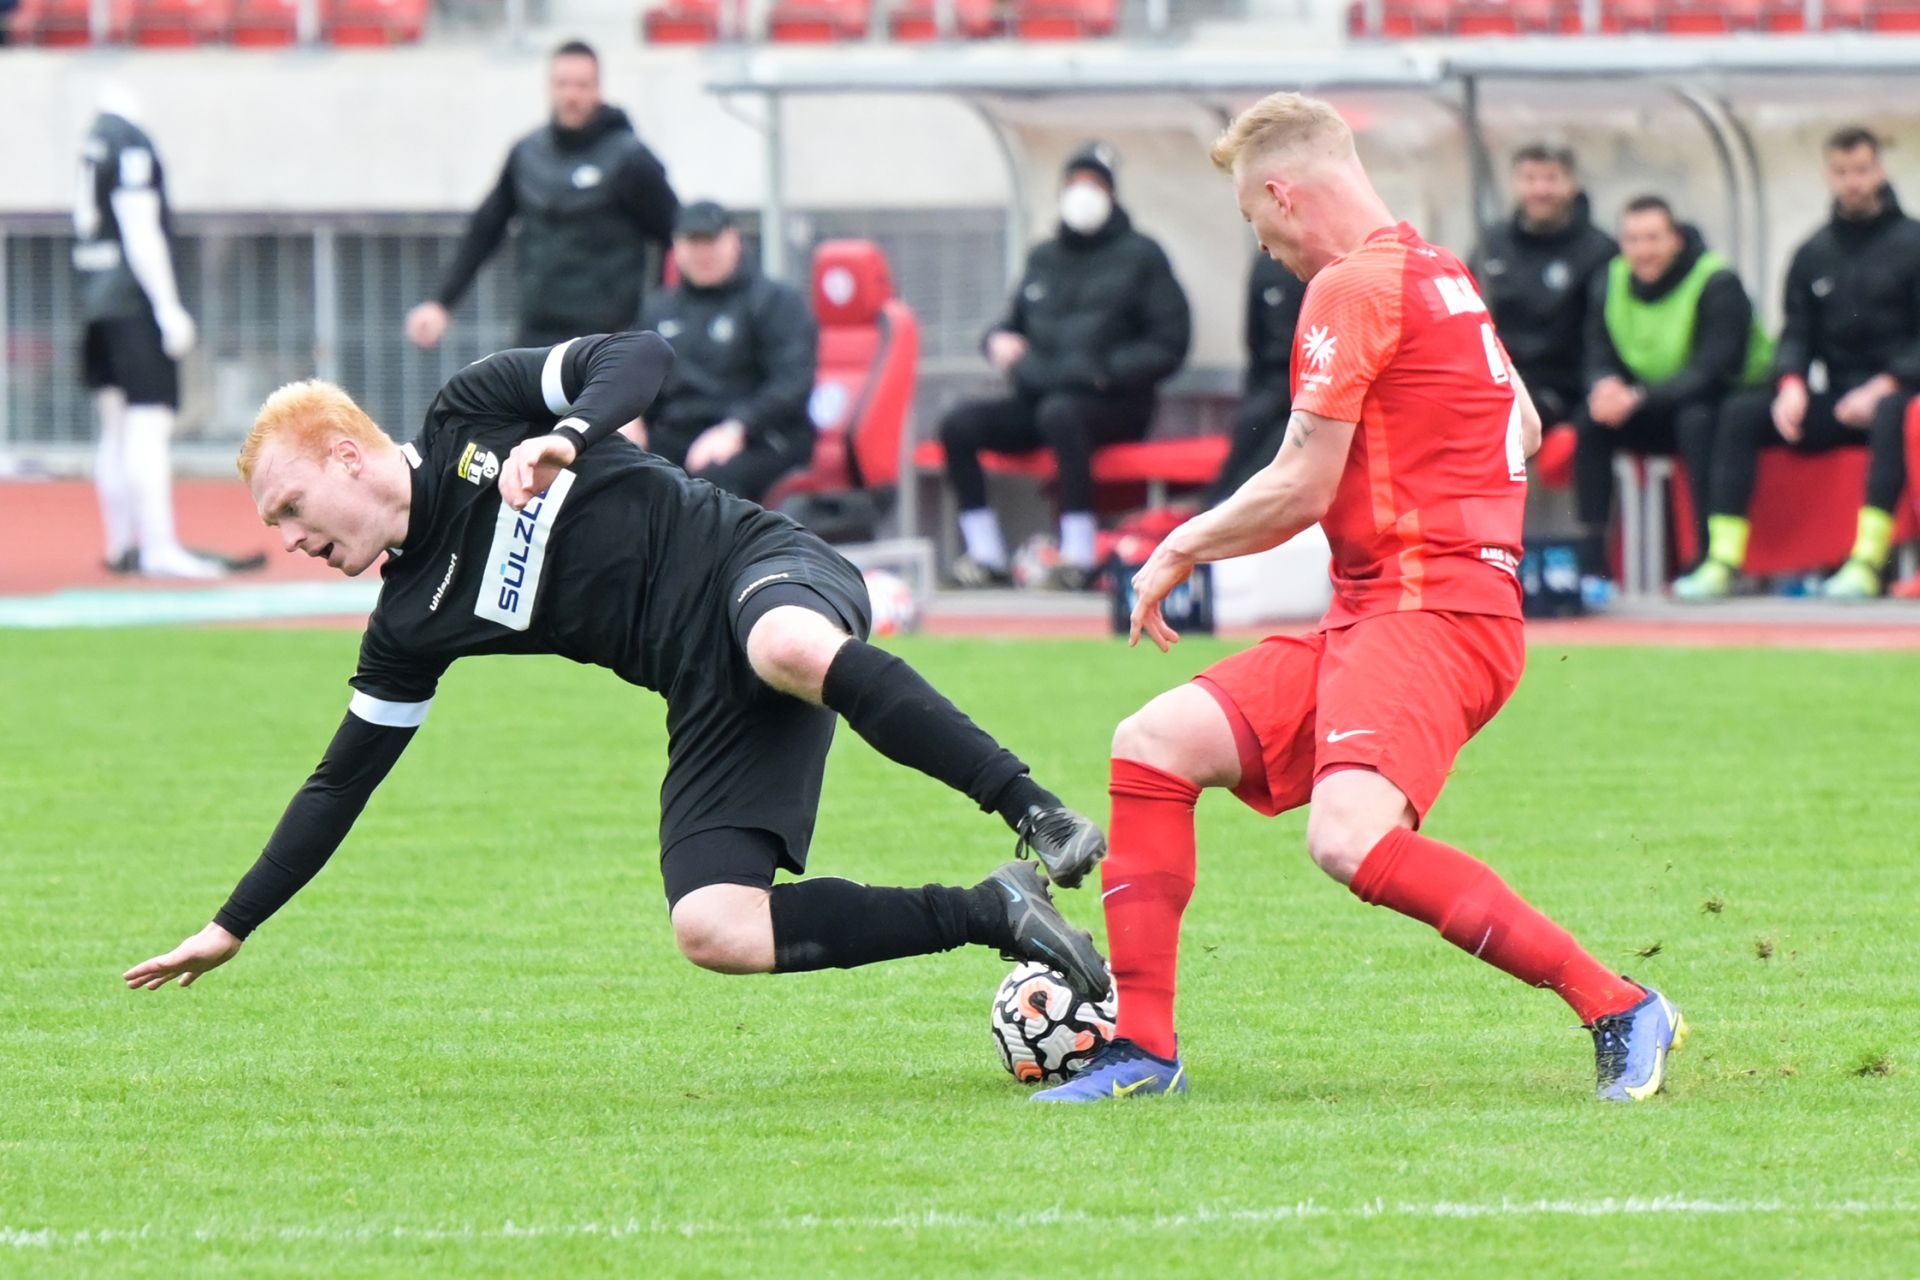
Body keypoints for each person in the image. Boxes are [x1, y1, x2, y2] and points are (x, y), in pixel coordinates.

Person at [123, 331, 1116, 1007]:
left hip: (758, 566)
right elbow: (339, 780)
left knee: (783, 646)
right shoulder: (409, 621)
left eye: (290, 507)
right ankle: (993, 907)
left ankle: (1033, 807)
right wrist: (231, 922)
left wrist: (563, 435)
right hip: (701, 688)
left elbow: (640, 356)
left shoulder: (469, 412)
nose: (289, 537)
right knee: (712, 926)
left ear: (345, 457)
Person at [1031, 92, 1685, 1105]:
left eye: (1257, 221)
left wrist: (1178, 546)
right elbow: (1523, 421)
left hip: (1428, 614)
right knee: (1153, 741)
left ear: (1286, 193)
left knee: (1346, 836)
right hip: (1398, 605)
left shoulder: (1350, 286)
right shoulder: (1443, 273)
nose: (1266, 247)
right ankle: (1144, 1050)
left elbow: (1299, 482)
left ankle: (1617, 1001)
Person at [1676, 126, 1920, 601]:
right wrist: (1790, 383)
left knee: (1895, 411)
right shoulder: (1813, 253)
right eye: (1842, 172)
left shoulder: (1913, 243)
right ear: (1829, 175)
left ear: (1880, 171)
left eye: (1862, 170)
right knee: (1742, 411)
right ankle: (1724, 558)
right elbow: (1797, 333)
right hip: (1839, 401)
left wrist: (1885, 384)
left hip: (1898, 395)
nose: (1853, 182)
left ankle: (1868, 562)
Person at [938, 142, 1191, 591]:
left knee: (1062, 413)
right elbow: (1012, 324)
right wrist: (996, 341)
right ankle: (985, 554)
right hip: (1037, 397)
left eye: (1093, 184)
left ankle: (1078, 554)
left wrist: (1105, 373)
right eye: (1074, 184)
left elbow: (1170, 344)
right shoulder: (1043, 258)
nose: (1082, 194)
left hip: (1112, 405)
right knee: (959, 425)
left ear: (1112, 194)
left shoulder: (1142, 256)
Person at [75, 87, 263, 580]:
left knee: (114, 429)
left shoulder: (94, 141)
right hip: (131, 302)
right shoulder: (130, 143)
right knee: (147, 425)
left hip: (95, 299)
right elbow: (141, 228)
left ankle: (121, 544)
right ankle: (157, 545)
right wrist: (167, 307)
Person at [405, 40, 679, 351]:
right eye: (562, 84)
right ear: (549, 87)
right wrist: (442, 303)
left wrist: (657, 318)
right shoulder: (527, 154)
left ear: (598, 89)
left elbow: (676, 236)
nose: (571, 95)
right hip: (537, 332)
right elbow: (485, 229)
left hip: (607, 337)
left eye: (582, 85)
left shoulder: (629, 159)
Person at [1576, 196, 1769, 600]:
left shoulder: (1716, 281)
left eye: (1653, 238)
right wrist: (1605, 385)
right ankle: (1592, 564)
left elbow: (1714, 371)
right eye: (1632, 239)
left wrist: (1637, 396)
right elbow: (1596, 348)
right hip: (1648, 402)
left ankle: (1705, 557)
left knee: (1698, 420)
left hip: (1724, 402)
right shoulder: (1609, 279)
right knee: (1590, 421)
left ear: (1676, 240)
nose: (1643, 251)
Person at [617, 201, 817, 503]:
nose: (702, 253)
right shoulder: (659, 309)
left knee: (710, 483)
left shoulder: (774, 302)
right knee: (611, 467)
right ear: (676, 246)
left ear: (734, 241)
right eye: (692, 242)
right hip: (680, 432)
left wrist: (736, 428)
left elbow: (793, 381)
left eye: (710, 241)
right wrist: (630, 416)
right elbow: (633, 374)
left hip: (761, 437)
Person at [1470, 143, 1617, 435]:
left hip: (1564, 391)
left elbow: (1601, 336)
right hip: (1497, 380)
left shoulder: (1599, 251)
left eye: (1551, 178)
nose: (1540, 190)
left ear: (1572, 184)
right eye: (1529, 178)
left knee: (1505, 423)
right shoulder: (1491, 245)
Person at [1207, 253, 1302, 504]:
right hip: (1274, 382)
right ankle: (1219, 508)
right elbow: (1255, 340)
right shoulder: (1267, 265)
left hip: (1317, 385)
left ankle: (1231, 510)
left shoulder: (1339, 267)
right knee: (1251, 427)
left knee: (1281, 445)